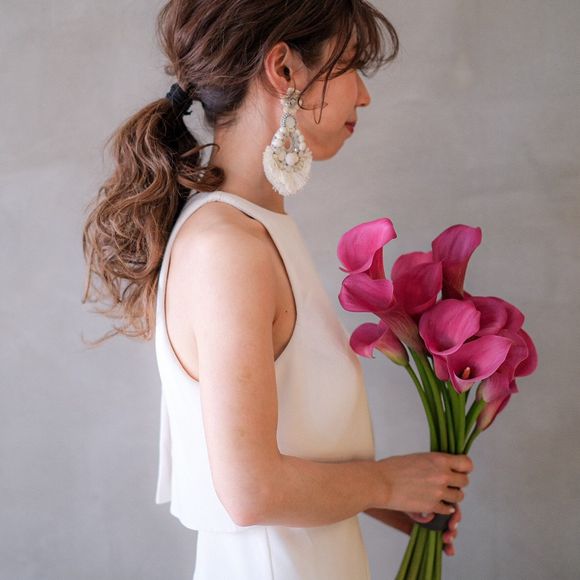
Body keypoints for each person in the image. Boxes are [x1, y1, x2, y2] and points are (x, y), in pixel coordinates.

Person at [81, 0, 474, 577]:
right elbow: (252, 491)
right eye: (349, 65)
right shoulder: (228, 248)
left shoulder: (248, 231)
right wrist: (387, 481)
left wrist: (388, 496)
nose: (364, 96)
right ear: (284, 69)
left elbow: (285, 446)